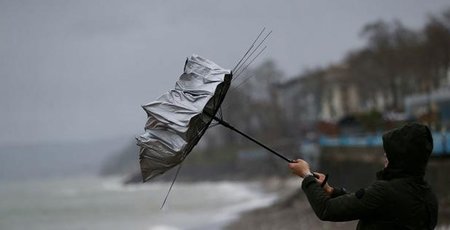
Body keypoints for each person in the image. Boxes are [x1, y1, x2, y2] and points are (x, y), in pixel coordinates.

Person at [288, 123, 438, 229]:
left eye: (389, 154)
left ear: (401, 158)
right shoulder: (428, 196)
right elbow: (369, 204)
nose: (385, 157)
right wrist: (331, 191)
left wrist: (307, 176)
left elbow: (327, 210)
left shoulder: (385, 192)